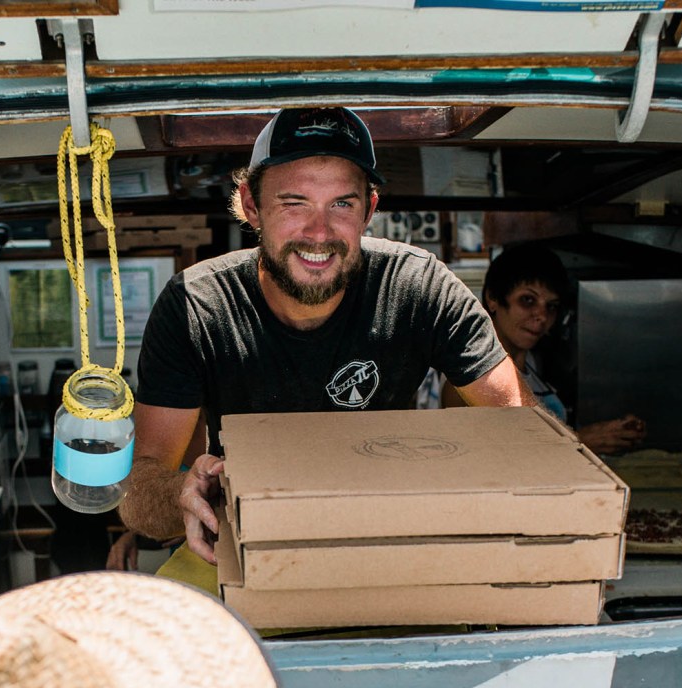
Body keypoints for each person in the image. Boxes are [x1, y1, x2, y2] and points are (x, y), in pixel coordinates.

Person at [118, 107, 538, 568]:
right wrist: (183, 493)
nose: (319, 233)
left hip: (382, 541)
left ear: (369, 210)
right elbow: (137, 489)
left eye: (342, 203)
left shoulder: (420, 287)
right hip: (242, 546)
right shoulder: (195, 305)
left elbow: (529, 435)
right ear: (252, 205)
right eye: (294, 203)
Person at [440, 244, 646, 455]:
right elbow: (488, 458)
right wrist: (582, 442)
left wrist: (611, 431)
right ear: (493, 299)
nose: (542, 316)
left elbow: (536, 436)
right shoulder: (467, 382)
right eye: (527, 300)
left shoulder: (533, 362)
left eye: (551, 306)